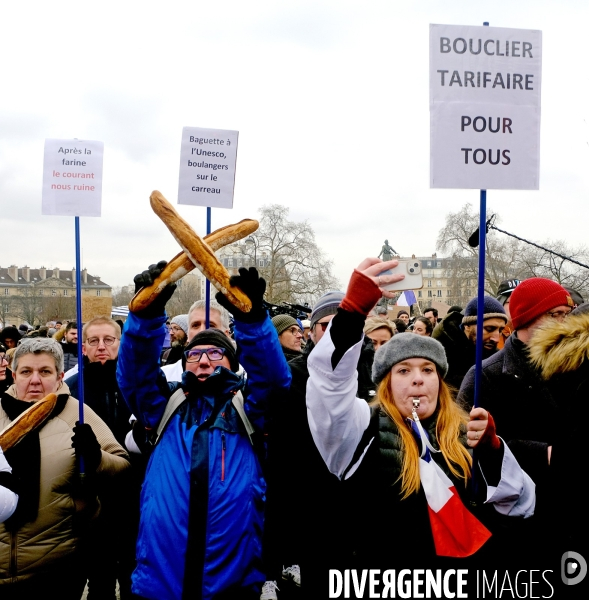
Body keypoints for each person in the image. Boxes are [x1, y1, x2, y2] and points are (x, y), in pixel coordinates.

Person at [304, 258, 535, 596]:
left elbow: (521, 504)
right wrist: (351, 312)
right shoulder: (359, 428)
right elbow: (328, 387)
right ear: (385, 383)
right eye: (403, 371)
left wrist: (493, 451)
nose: (417, 379)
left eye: (427, 370)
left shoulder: (465, 431)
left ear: (440, 381)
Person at [116, 262, 291, 600]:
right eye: (195, 355)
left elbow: (273, 379)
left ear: (232, 362)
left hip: (231, 584)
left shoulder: (249, 409)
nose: (205, 361)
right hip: (159, 585)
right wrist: (146, 317)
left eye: (216, 353)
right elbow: (134, 373)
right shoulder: (163, 407)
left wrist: (254, 321)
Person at [457, 278, 574, 570]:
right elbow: (462, 445)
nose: (563, 323)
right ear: (526, 318)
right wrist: (541, 453)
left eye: (565, 314)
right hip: (514, 518)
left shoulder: (575, 366)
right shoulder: (485, 375)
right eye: (553, 315)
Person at [0, 338, 130, 598]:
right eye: (26, 372)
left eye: (45, 372)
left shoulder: (77, 413)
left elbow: (122, 465)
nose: (35, 380)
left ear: (60, 376)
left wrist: (96, 458)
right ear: (14, 375)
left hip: (57, 568)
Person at [65, 317, 137, 599]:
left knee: (133, 572)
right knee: (99, 577)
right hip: (90, 494)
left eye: (109, 340)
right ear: (83, 347)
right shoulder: (72, 387)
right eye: (93, 341)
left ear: (120, 343)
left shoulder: (134, 384)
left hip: (132, 491)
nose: (101, 347)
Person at [432, 296, 506, 388]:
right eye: (489, 329)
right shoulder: (438, 352)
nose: (496, 339)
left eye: (500, 330)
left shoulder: (498, 359)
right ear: (467, 326)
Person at [495, 279, 520, 349]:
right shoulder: (491, 335)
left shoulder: (534, 335)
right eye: (512, 301)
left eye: (522, 301)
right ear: (500, 304)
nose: (518, 306)